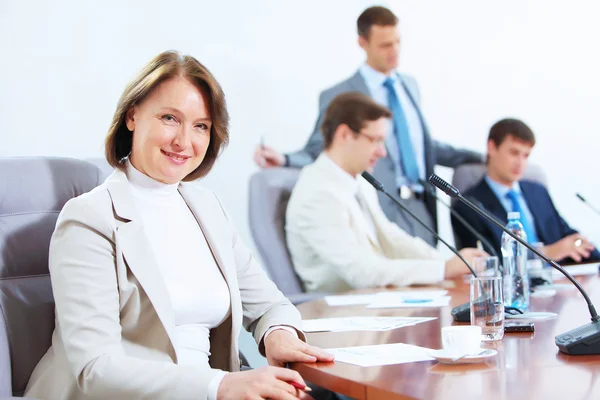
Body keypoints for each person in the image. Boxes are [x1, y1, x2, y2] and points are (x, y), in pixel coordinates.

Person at [25, 50, 333, 400]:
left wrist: (278, 333)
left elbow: (269, 305)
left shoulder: (206, 207)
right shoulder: (89, 218)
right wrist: (220, 386)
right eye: (170, 118)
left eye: (200, 125)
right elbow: (96, 369)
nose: (184, 142)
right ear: (132, 116)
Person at [254, 6, 483, 246]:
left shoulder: (409, 85)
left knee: (430, 272)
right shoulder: (340, 95)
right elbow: (319, 149)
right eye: (385, 45)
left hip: (422, 206)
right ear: (362, 42)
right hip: (379, 206)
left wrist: (481, 157)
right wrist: (285, 159)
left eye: (397, 42)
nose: (394, 51)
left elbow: (420, 145)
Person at [285, 92, 486, 293]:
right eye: (375, 140)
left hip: (374, 300)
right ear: (344, 134)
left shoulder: (357, 180)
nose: (382, 152)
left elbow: (390, 237)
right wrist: (443, 269)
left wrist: (450, 262)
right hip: (339, 310)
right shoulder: (318, 193)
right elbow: (363, 272)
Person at [452, 118, 600, 264]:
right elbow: (484, 261)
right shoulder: (468, 205)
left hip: (557, 281)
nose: (520, 162)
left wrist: (581, 245)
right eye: (514, 153)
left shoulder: (537, 191)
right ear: (491, 148)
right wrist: (546, 253)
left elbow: (565, 235)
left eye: (526, 155)